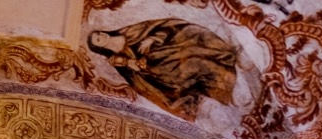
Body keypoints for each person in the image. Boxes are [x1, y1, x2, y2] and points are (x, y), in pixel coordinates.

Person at [88, 20, 237, 120]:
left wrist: (152, 39)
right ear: (99, 47)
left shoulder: (128, 31)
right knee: (182, 72)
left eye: (99, 33)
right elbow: (138, 79)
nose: (102, 36)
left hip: (170, 47)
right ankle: (222, 92)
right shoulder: (116, 59)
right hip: (161, 70)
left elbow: (160, 27)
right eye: (98, 40)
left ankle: (226, 78)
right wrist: (134, 65)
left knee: (192, 56)